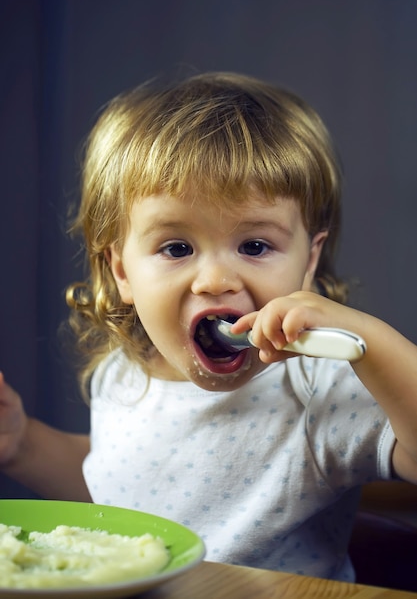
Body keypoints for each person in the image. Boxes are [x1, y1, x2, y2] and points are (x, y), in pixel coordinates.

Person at [1, 72, 417, 582]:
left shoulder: (315, 390)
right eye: (177, 248)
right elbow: (120, 495)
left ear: (309, 263)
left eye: (255, 246)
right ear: (123, 271)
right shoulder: (124, 376)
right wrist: (23, 445)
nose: (217, 279)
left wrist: (371, 343)